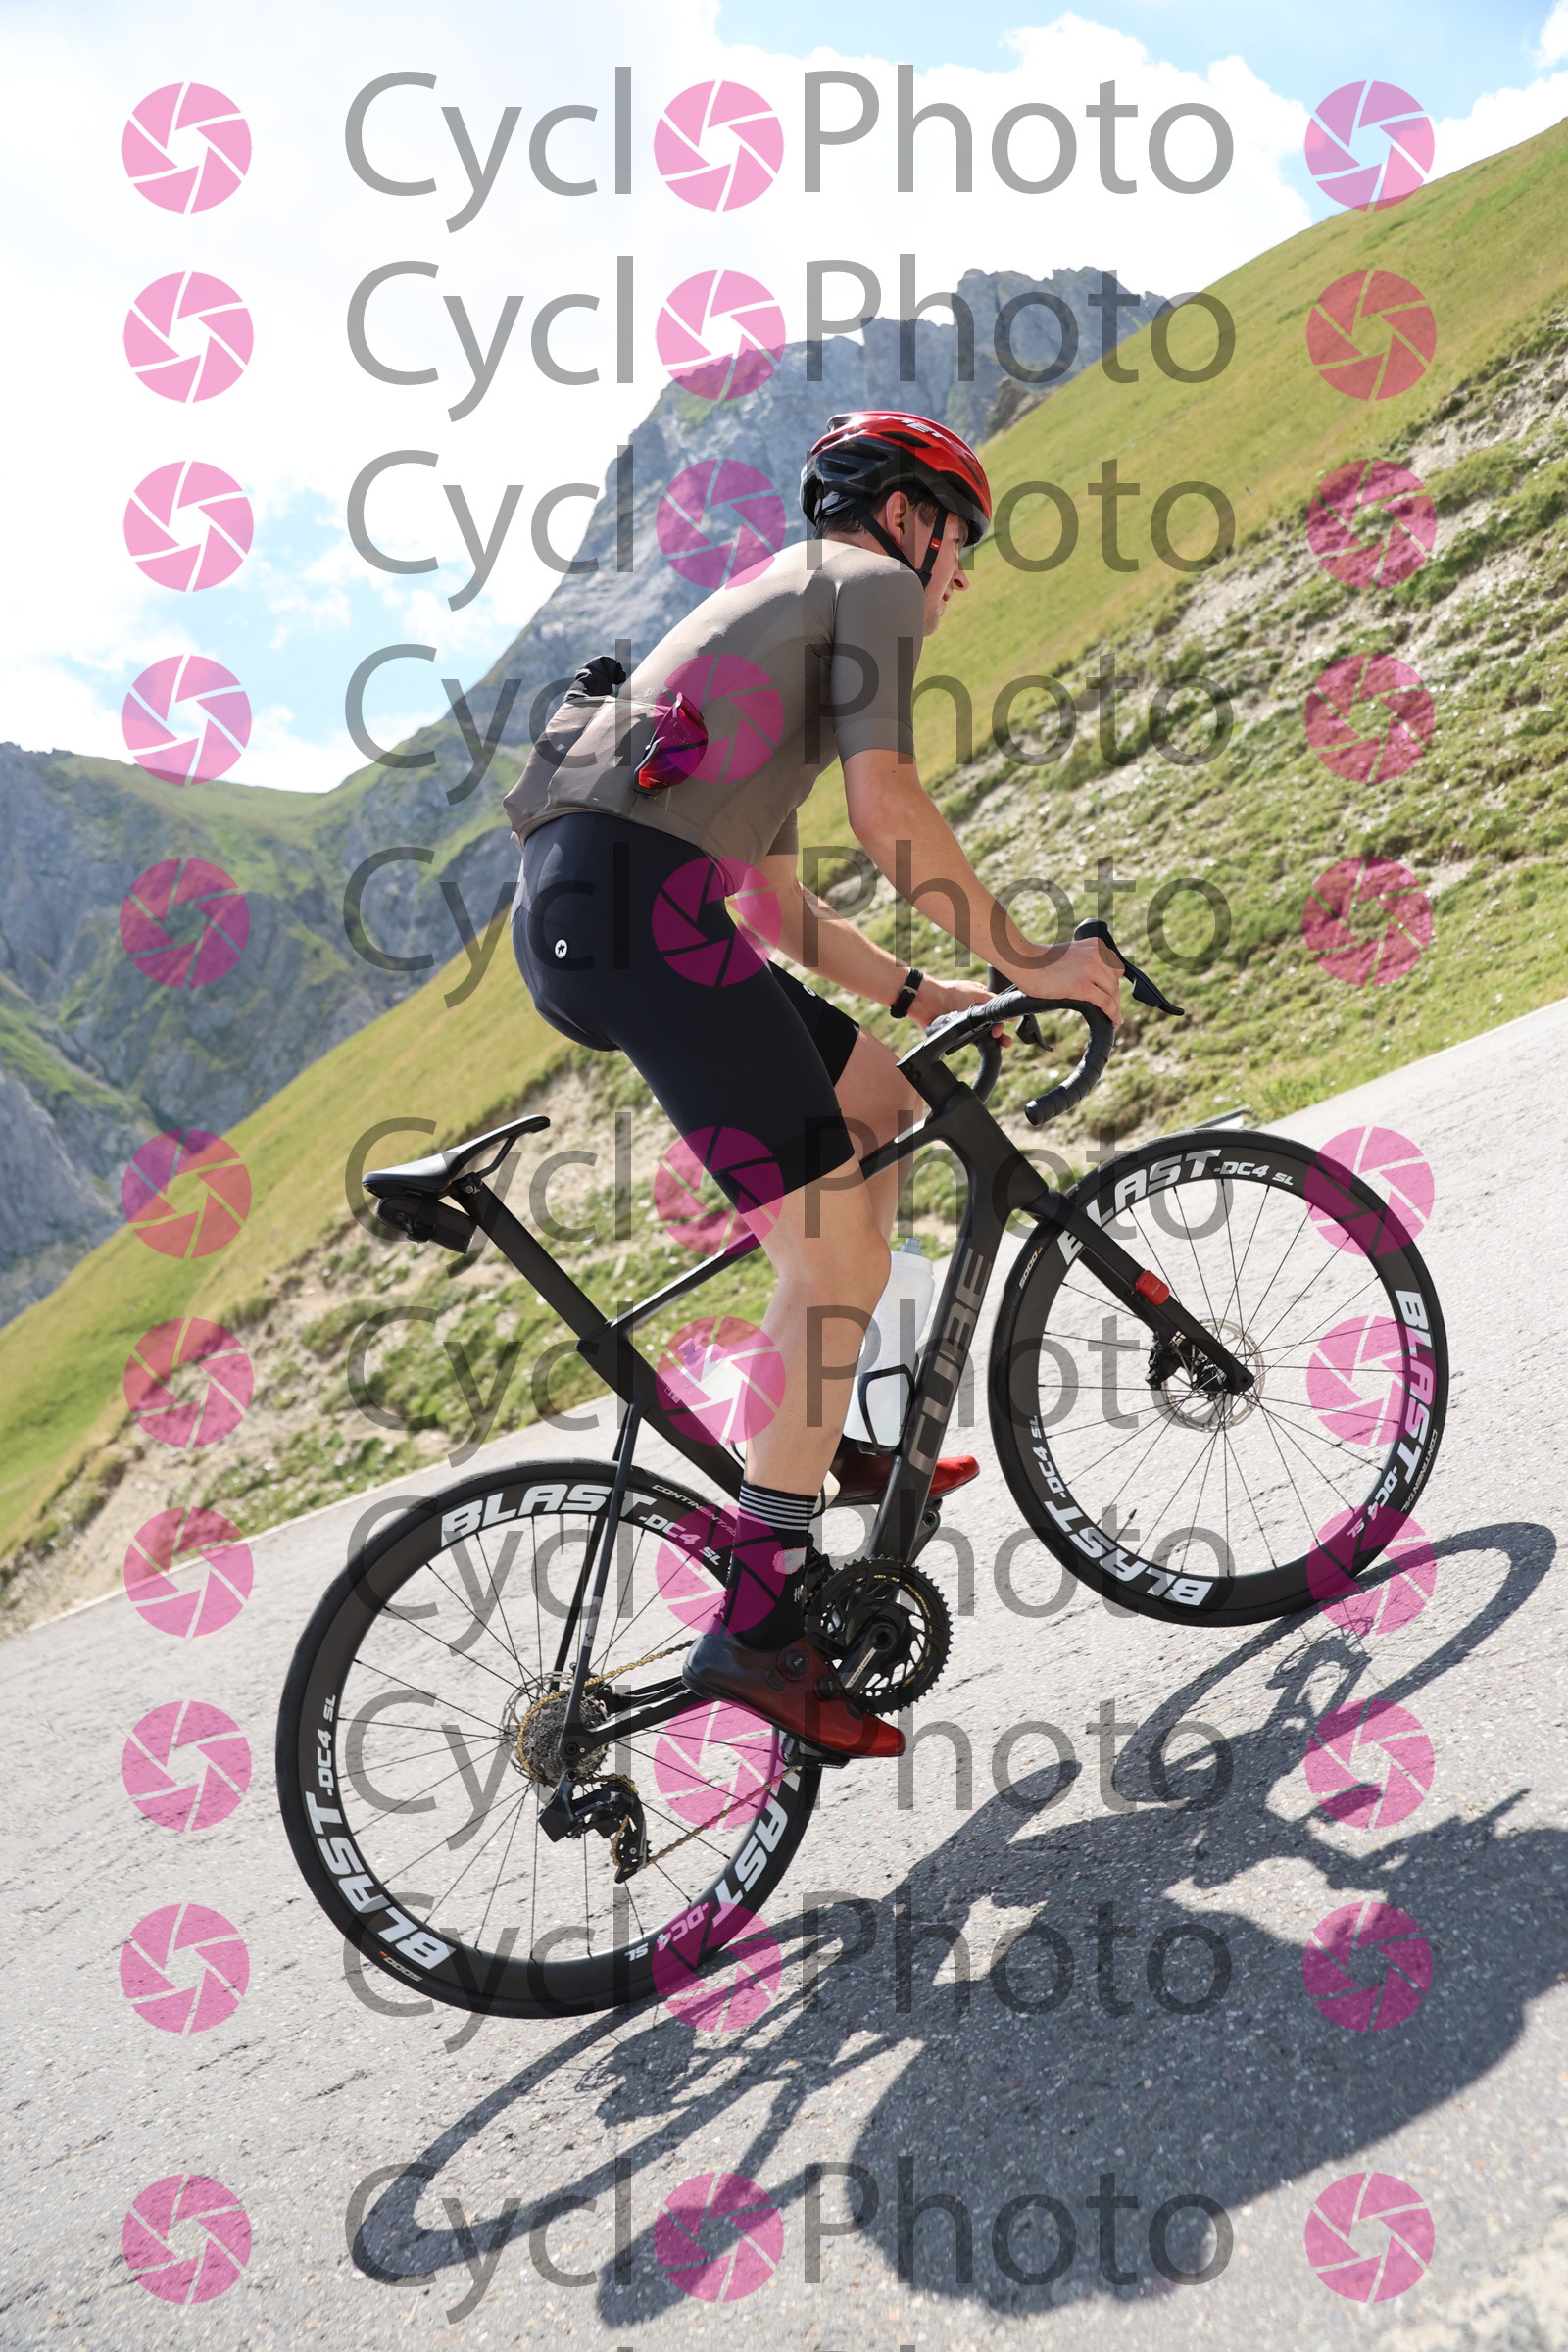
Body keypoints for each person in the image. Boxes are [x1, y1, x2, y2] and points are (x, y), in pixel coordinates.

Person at [505, 411, 1122, 1759]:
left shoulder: (776, 614)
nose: (961, 578)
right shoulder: (873, 586)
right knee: (838, 1260)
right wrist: (1031, 959)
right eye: (962, 541)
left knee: (880, 1100)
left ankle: (821, 1428)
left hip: (599, 910)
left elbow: (777, 911)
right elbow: (888, 812)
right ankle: (759, 1619)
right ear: (910, 517)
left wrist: (920, 993)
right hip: (639, 912)